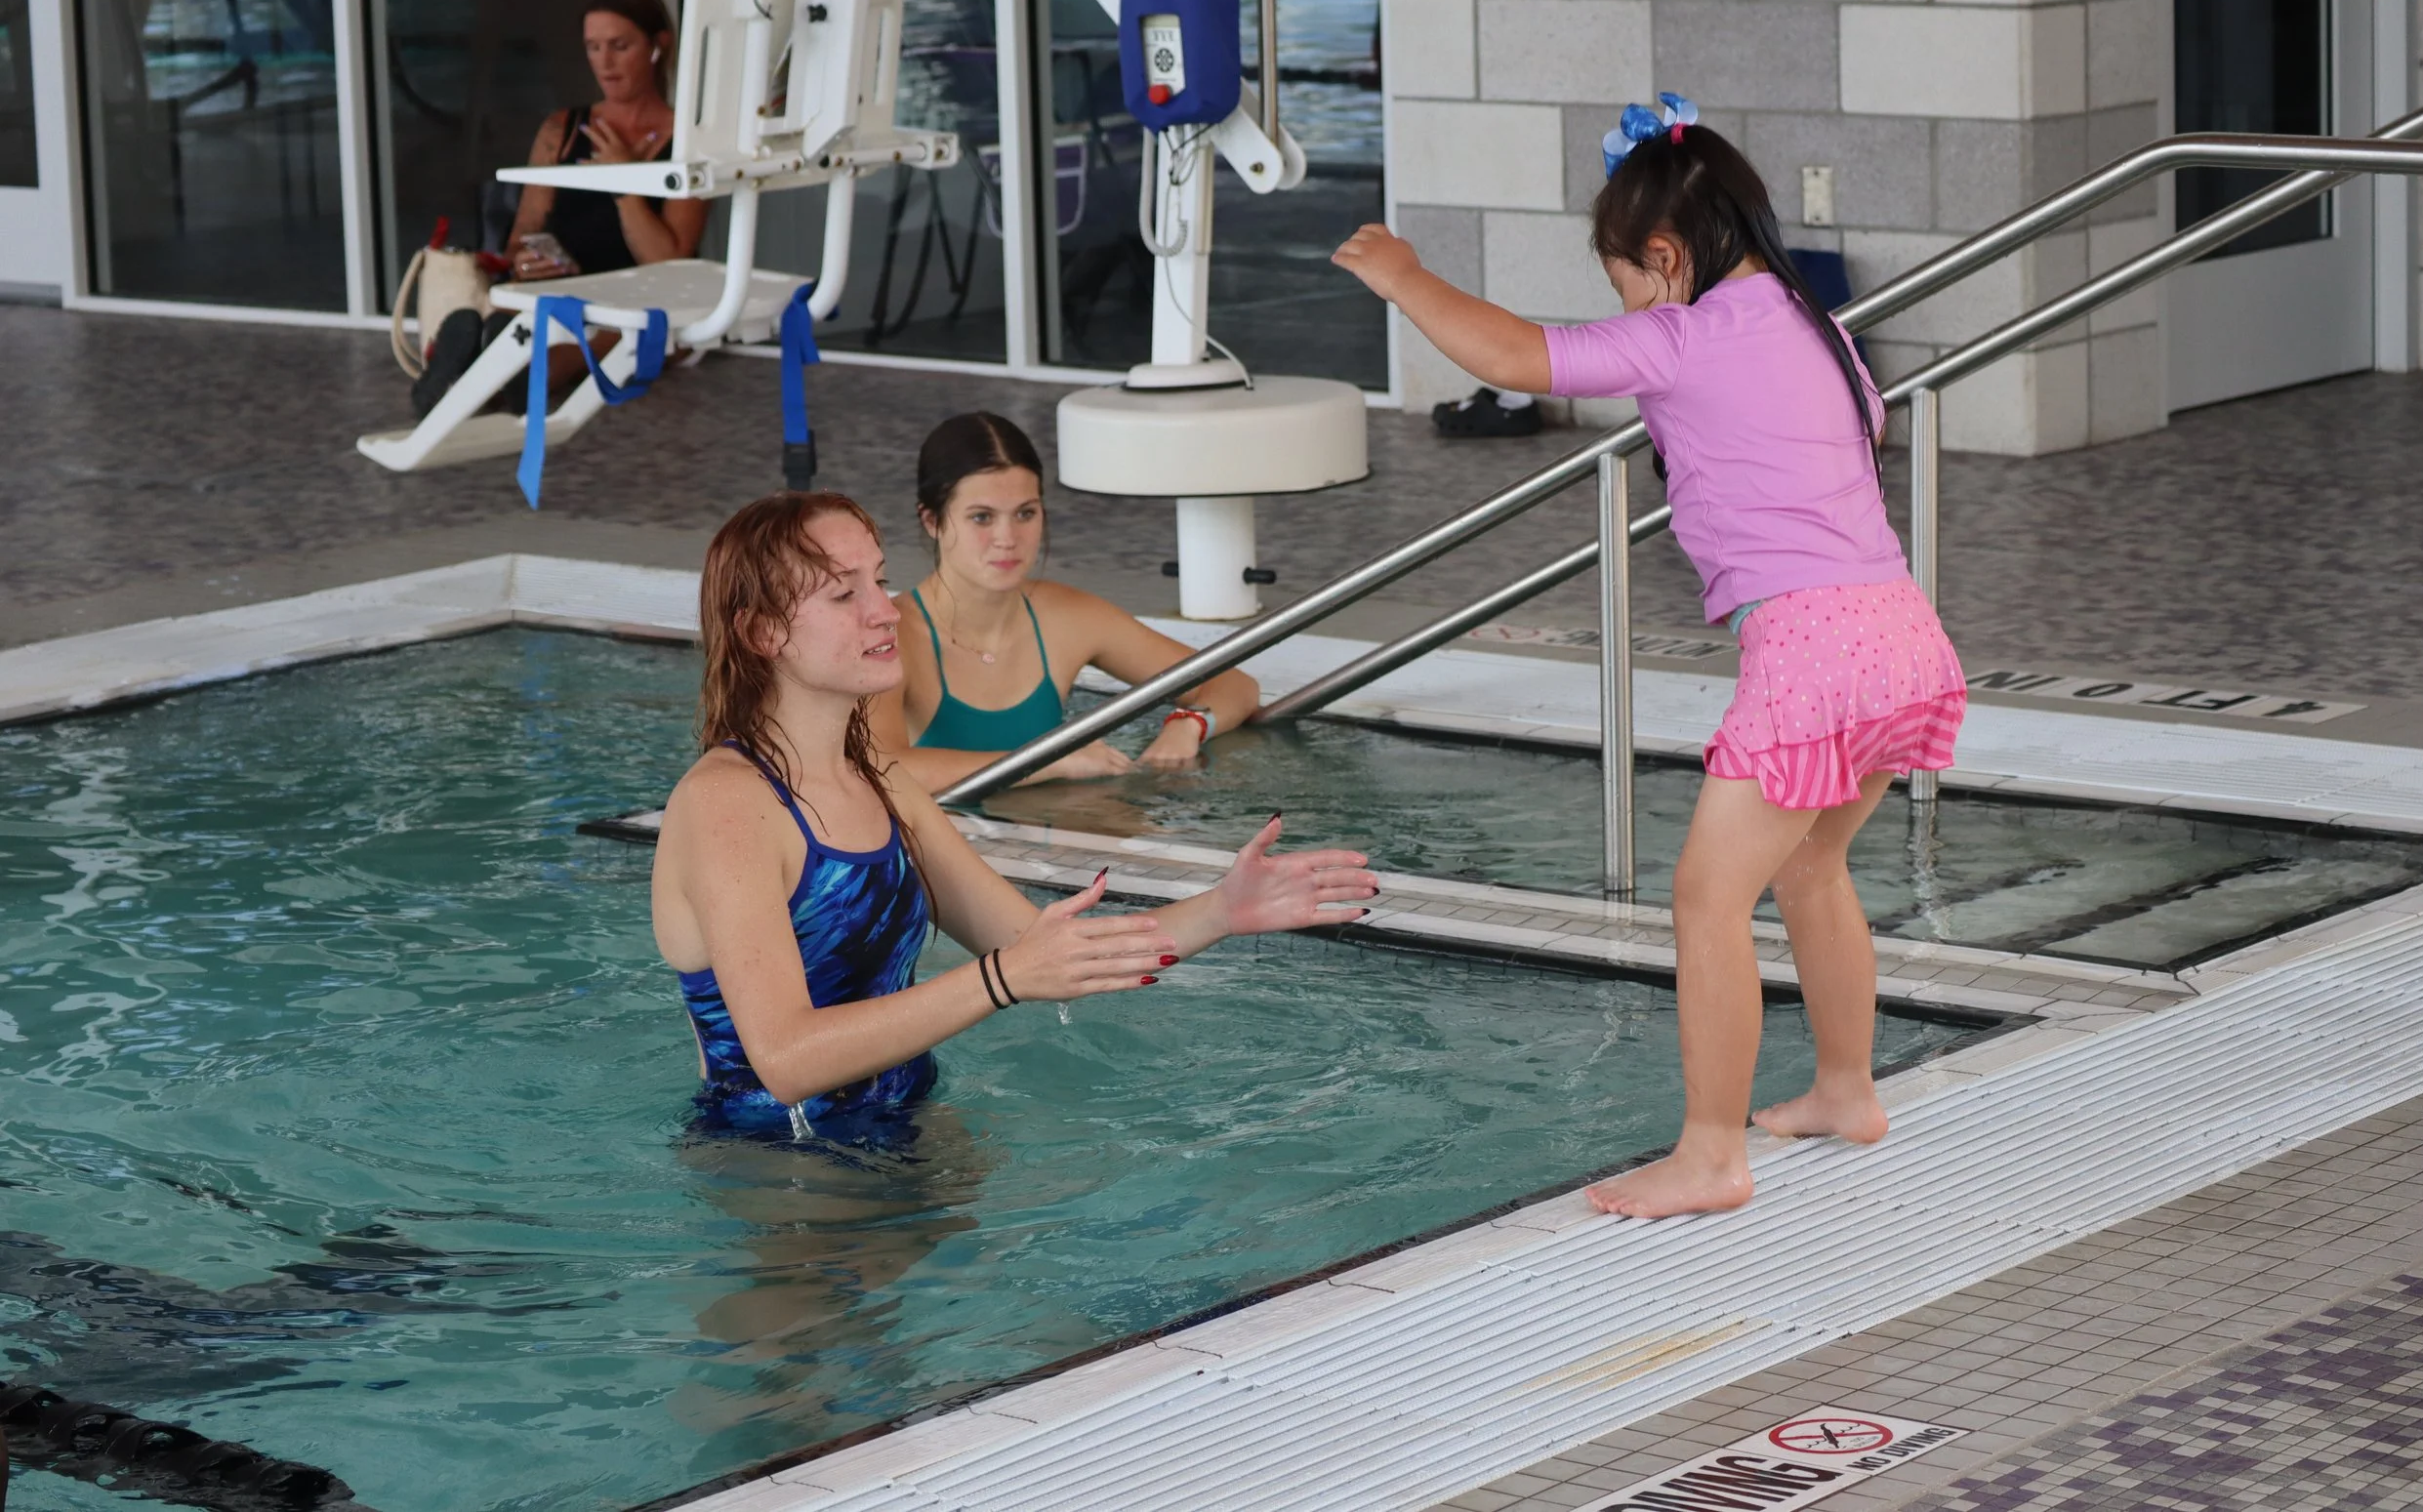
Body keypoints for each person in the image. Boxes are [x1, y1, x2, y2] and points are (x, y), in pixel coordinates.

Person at [1332, 96, 1966, 1221]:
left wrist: (1404, 276)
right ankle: (1845, 1087)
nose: (1619, 301)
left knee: (1704, 900)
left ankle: (1710, 1153)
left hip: (1811, 647)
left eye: (1621, 275)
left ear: (1666, 257)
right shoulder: (1809, 321)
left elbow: (1519, 354)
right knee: (1814, 868)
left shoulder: (1689, 331)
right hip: (1901, 630)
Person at [650, 490, 1376, 1141]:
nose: (886, 610)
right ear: (761, 633)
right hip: (780, 1168)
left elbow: (1043, 948)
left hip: (912, 1129)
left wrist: (1223, 908)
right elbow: (784, 1058)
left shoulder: (883, 785)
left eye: (881, 580)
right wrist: (997, 980)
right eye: (845, 595)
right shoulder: (727, 802)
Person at [868, 413, 1263, 795]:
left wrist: (1190, 722)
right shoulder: (890, 636)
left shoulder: (1066, 617)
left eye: (1025, 513)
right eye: (981, 517)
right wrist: (1044, 762)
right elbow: (882, 771)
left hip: (1049, 841)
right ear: (932, 521)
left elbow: (1233, 684)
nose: (1007, 538)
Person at [413, 0, 711, 414]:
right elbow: (523, 232)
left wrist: (624, 183)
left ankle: (469, 384)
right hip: (562, 291)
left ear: (657, 45)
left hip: (640, 306)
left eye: (620, 46)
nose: (604, 62)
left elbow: (670, 264)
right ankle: (477, 375)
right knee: (513, 319)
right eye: (593, 47)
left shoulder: (688, 141)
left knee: (580, 347)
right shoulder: (562, 130)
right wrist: (530, 259)